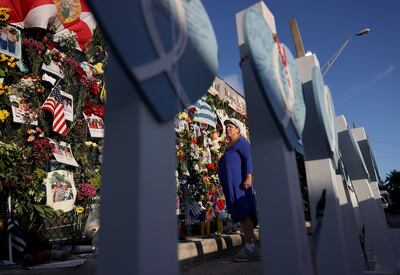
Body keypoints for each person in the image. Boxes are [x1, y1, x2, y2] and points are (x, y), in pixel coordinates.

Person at [217, 118, 258, 262]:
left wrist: (249, 177)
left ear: (238, 129)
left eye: (230, 126)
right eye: (226, 126)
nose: (227, 128)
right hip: (232, 187)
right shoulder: (230, 146)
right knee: (242, 215)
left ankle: (250, 248)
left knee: (245, 214)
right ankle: (250, 245)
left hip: (241, 185)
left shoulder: (241, 142)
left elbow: (249, 158)